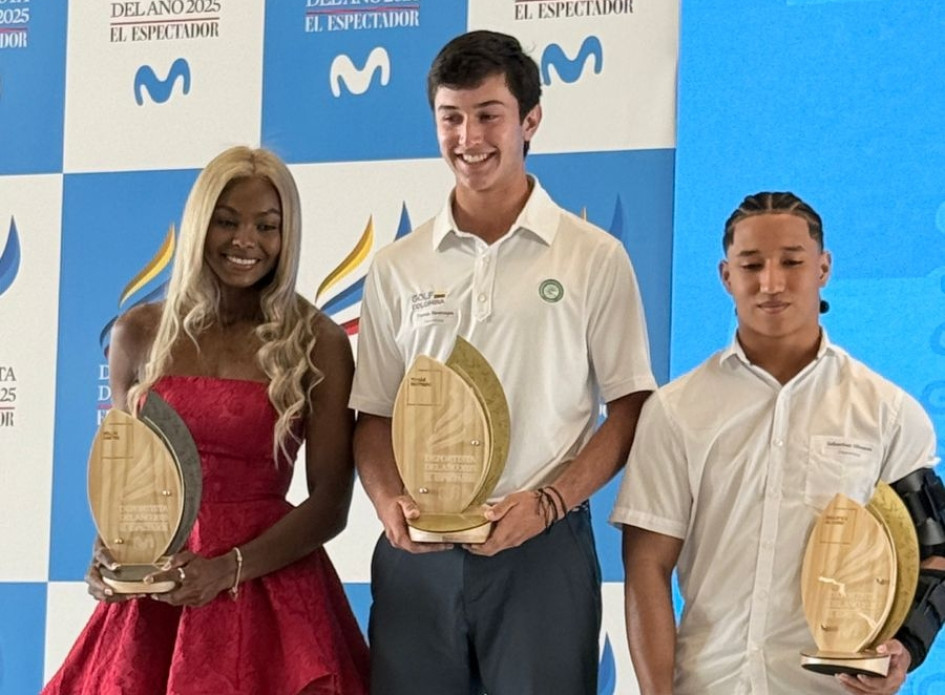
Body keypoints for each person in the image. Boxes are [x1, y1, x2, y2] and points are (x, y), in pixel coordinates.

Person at [349, 30, 656, 695]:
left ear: (529, 121)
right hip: (418, 554)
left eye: (488, 114)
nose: (469, 136)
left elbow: (630, 409)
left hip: (540, 546)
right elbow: (371, 412)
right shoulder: (398, 265)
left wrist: (548, 502)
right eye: (450, 117)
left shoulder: (591, 255)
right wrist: (386, 501)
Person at [43, 146, 370, 695]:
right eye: (227, 221)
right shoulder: (137, 333)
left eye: (267, 226)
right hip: (159, 595)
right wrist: (110, 551)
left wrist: (229, 569)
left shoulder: (319, 340)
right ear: (199, 226)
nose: (246, 241)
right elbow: (127, 484)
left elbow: (331, 503)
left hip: (271, 593)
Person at [611, 191, 945, 695]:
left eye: (792, 261)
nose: (771, 282)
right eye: (751, 265)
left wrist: (906, 647)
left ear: (824, 267)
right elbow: (646, 567)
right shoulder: (676, 411)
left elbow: (934, 552)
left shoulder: (887, 413)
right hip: (710, 683)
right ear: (727, 276)